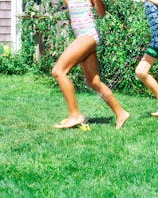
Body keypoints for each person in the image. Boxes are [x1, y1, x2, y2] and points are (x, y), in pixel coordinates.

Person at [52, 0, 130, 129]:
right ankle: (121, 113)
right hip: (83, 38)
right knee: (93, 81)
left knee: (58, 71)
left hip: (88, 36)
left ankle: (75, 115)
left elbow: (102, 14)